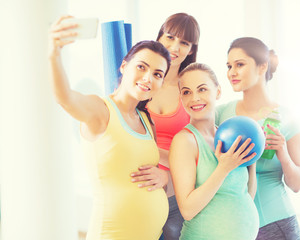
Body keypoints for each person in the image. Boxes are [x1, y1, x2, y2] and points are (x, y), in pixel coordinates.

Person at [48, 15, 171, 240]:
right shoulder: (101, 110)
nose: (148, 78)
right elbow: (65, 98)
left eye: (157, 74)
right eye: (141, 67)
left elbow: (165, 163)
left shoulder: (145, 119)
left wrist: (165, 177)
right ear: (124, 66)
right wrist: (54, 53)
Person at [216, 37, 300, 240]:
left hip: (275, 224)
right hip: (234, 226)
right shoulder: (220, 114)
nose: (232, 72)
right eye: (229, 66)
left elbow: (297, 184)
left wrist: (283, 154)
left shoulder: (287, 119)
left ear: (262, 66)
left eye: (240, 64)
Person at [169, 63, 260, 240]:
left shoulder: (229, 136)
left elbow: (244, 195)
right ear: (181, 98)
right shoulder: (185, 141)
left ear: (217, 91)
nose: (194, 98)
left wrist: (251, 159)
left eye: (202, 89)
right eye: (187, 92)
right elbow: (187, 210)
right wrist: (223, 168)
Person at [129, 13, 200, 240]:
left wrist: (167, 173)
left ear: (191, 49)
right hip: (136, 193)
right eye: (169, 37)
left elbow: (198, 152)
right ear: (159, 37)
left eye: (184, 43)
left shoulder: (190, 89)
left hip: (175, 200)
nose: (175, 47)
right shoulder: (140, 83)